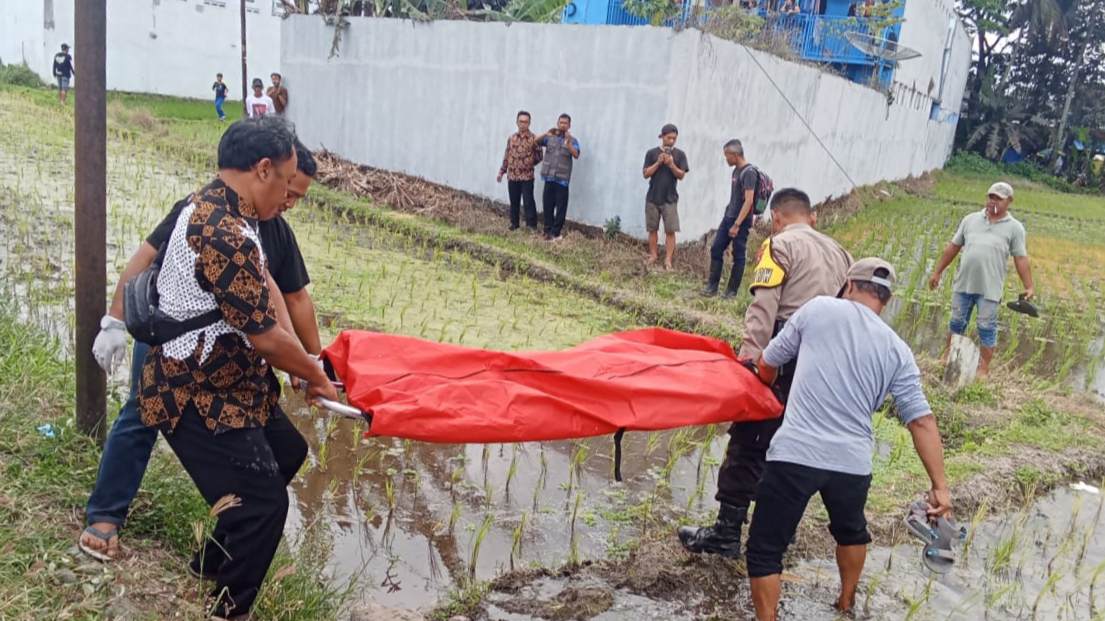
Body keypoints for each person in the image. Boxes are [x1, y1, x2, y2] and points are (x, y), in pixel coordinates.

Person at [81, 131, 325, 593]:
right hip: (184, 362)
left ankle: (213, 559)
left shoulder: (252, 214)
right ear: (263, 170)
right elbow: (146, 258)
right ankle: (107, 517)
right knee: (142, 418)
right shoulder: (217, 224)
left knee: (287, 453)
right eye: (288, 186)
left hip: (227, 368)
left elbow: (280, 293)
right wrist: (114, 320)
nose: (290, 199)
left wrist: (306, 361)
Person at [744, 258, 952, 620]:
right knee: (851, 531)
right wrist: (940, 487)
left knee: (765, 548)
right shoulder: (897, 349)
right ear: (885, 300)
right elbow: (921, 421)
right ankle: (845, 603)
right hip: (852, 463)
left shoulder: (819, 309)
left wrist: (764, 382)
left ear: (849, 286)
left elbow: (768, 362)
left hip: (796, 453)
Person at [679, 188, 852, 557]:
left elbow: (764, 307)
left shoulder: (777, 246)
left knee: (751, 440)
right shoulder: (841, 253)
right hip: (824, 363)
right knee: (797, 444)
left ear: (776, 218)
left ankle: (727, 533)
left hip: (784, 353)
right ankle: (781, 529)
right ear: (813, 217)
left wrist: (751, 364)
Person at [927, 181, 1034, 378]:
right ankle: (947, 356)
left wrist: (1028, 286)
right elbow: (953, 247)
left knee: (986, 327)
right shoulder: (970, 220)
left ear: (1009, 201)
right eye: (990, 197)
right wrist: (937, 272)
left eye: (998, 199)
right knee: (957, 323)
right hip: (963, 283)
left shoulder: (1014, 228)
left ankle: (983, 369)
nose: (993, 201)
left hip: (989, 289)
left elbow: (1020, 258)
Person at [703, 139, 758, 298]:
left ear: (735, 155)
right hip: (729, 217)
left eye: (727, 156)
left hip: (740, 221)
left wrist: (737, 224)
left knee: (738, 255)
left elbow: (749, 201)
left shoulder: (749, 173)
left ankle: (731, 292)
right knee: (716, 248)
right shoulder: (736, 171)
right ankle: (712, 287)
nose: (726, 159)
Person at [642, 123, 689, 270]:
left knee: (670, 230)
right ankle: (653, 255)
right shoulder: (651, 153)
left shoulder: (680, 155)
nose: (671, 141)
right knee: (652, 229)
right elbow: (645, 174)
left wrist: (671, 164)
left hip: (670, 199)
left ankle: (668, 259)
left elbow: (681, 175)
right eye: (669, 138)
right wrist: (658, 162)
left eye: (674, 138)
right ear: (662, 136)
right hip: (653, 197)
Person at [536, 114, 581, 241]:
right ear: (557, 123)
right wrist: (546, 133)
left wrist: (568, 143)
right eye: (561, 122)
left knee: (561, 208)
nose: (563, 125)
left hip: (562, 181)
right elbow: (535, 141)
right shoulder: (550, 138)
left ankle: (556, 233)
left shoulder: (573, 141)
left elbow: (576, 154)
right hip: (549, 178)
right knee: (548, 206)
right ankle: (547, 231)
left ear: (569, 125)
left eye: (565, 123)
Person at [497, 110, 543, 231]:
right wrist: (502, 171)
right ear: (517, 122)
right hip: (512, 175)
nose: (523, 124)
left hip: (526, 176)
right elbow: (507, 155)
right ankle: (514, 223)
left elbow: (539, 156)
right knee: (514, 201)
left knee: (528, 201)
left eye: (526, 122)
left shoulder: (534, 138)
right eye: (521, 121)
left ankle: (531, 225)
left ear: (529, 123)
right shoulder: (512, 138)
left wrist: (528, 163)